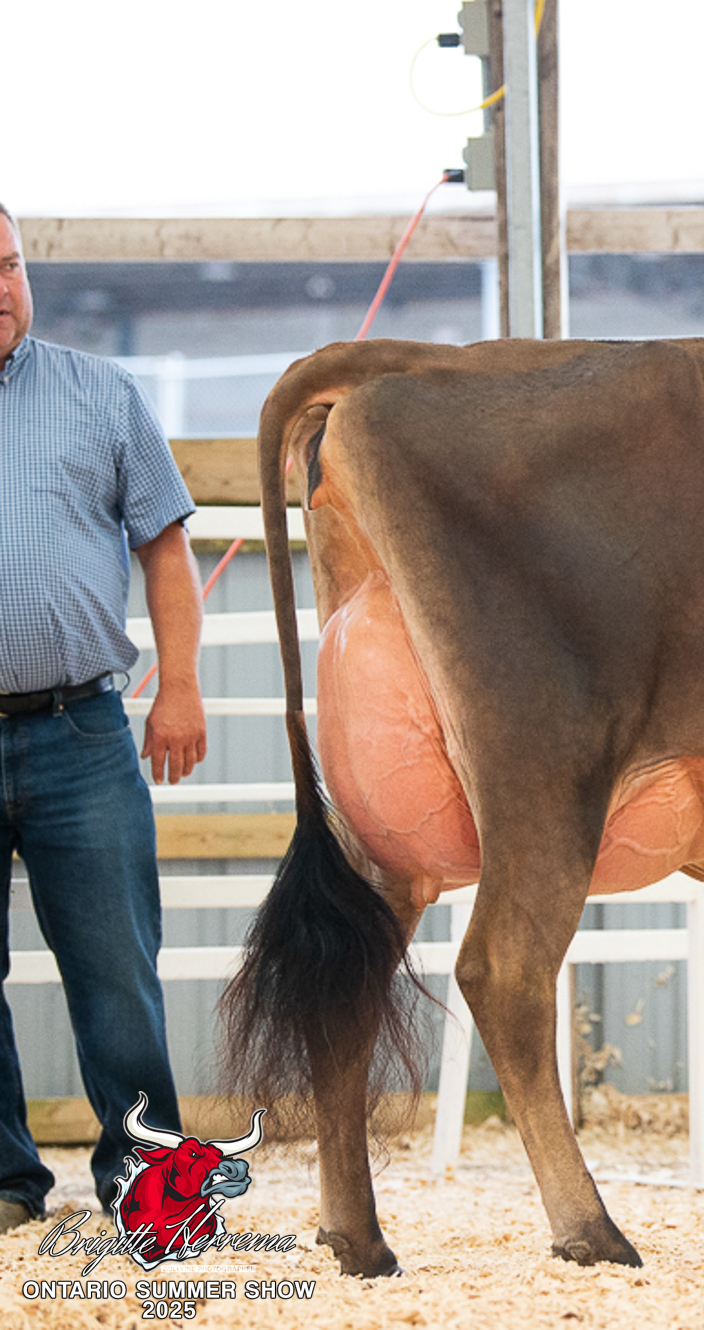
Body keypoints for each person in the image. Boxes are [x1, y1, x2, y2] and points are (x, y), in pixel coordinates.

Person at [0, 200, 208, 1230]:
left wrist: (181, 684)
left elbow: (164, 548)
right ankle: (6, 1185)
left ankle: (149, 1188)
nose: (0, 290)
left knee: (117, 973)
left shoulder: (101, 393)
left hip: (80, 733)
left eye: (8, 266)